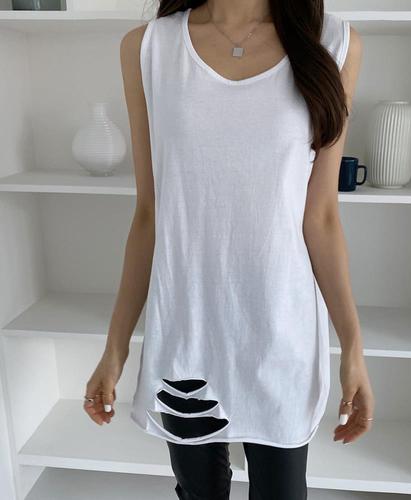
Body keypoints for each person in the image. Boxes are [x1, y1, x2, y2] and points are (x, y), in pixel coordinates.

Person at [83, 1, 374, 498]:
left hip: (282, 333)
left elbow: (322, 217)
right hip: (186, 331)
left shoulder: (331, 44)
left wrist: (353, 347)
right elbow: (151, 213)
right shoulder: (149, 49)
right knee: (199, 492)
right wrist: (115, 349)